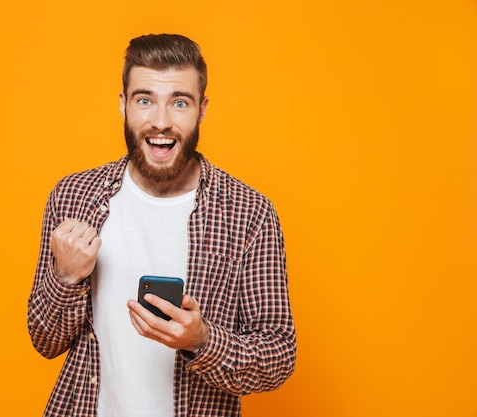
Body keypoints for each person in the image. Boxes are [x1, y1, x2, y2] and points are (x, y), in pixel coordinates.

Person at [28, 33, 296, 417]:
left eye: (179, 103)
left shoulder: (249, 213)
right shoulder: (74, 197)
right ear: (123, 105)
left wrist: (202, 341)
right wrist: (67, 278)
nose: (161, 122)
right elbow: (45, 340)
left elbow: (278, 355)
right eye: (144, 100)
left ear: (202, 110)